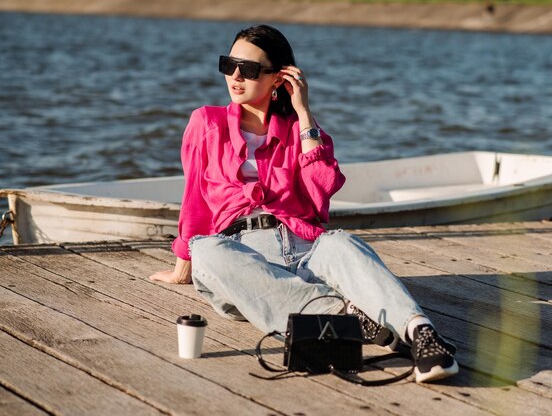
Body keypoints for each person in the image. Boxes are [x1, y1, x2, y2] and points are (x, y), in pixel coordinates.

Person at [149, 24, 458, 383]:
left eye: (248, 69)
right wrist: (182, 268)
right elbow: (195, 202)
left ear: (279, 79)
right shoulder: (207, 122)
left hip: (303, 247)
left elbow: (320, 193)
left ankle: (422, 335)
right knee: (207, 251)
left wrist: (304, 113)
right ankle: (347, 314)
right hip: (240, 256)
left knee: (341, 242)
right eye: (228, 64)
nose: (235, 76)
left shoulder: (302, 131)